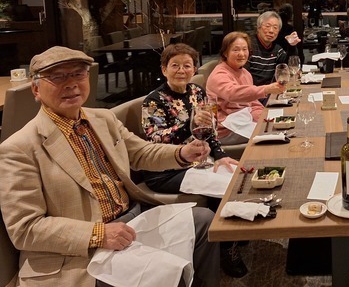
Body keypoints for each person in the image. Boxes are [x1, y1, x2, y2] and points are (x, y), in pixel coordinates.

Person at [0, 46, 219, 287]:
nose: (71, 84)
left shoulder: (102, 119)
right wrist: (98, 234)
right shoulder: (19, 148)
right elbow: (25, 228)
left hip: (133, 219)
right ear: (36, 89)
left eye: (78, 74)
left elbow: (141, 152)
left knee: (204, 221)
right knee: (167, 272)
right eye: (57, 77)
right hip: (82, 251)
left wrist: (181, 153)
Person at [141, 43, 246, 278]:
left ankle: (232, 233)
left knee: (238, 175)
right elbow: (155, 140)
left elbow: (209, 129)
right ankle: (226, 249)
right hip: (166, 171)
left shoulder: (197, 92)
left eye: (187, 65)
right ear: (164, 69)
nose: (181, 70)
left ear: (194, 69)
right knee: (225, 187)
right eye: (175, 65)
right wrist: (190, 122)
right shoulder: (154, 100)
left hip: (199, 161)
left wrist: (220, 155)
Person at [208, 31, 285, 145]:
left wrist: (264, 118)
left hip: (243, 121)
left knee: (279, 125)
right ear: (225, 53)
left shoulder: (245, 73)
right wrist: (265, 89)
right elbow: (233, 94)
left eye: (245, 49)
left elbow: (253, 103)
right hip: (225, 128)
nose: (241, 54)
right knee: (274, 135)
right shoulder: (219, 74)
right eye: (236, 50)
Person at [247, 10, 288, 86]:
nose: (271, 31)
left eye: (275, 27)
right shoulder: (248, 46)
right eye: (267, 26)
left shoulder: (277, 49)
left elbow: (289, 66)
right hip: (252, 91)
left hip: (270, 91)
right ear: (258, 28)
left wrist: (292, 45)